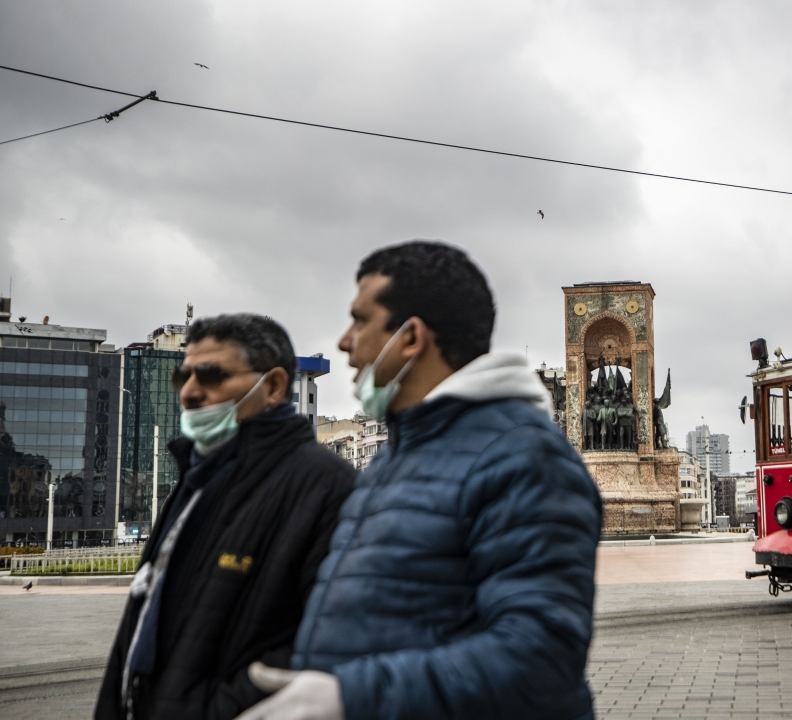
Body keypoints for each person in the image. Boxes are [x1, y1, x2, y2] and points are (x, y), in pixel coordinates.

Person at [238, 241, 602, 720]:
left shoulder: (522, 457)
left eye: (360, 320)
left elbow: (542, 659)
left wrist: (353, 697)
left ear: (411, 338)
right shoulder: (397, 454)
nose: (345, 341)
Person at [95, 315, 356, 720]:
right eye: (184, 377)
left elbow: (325, 642)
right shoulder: (195, 478)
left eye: (212, 376)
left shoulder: (327, 487)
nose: (191, 393)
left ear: (272, 386)